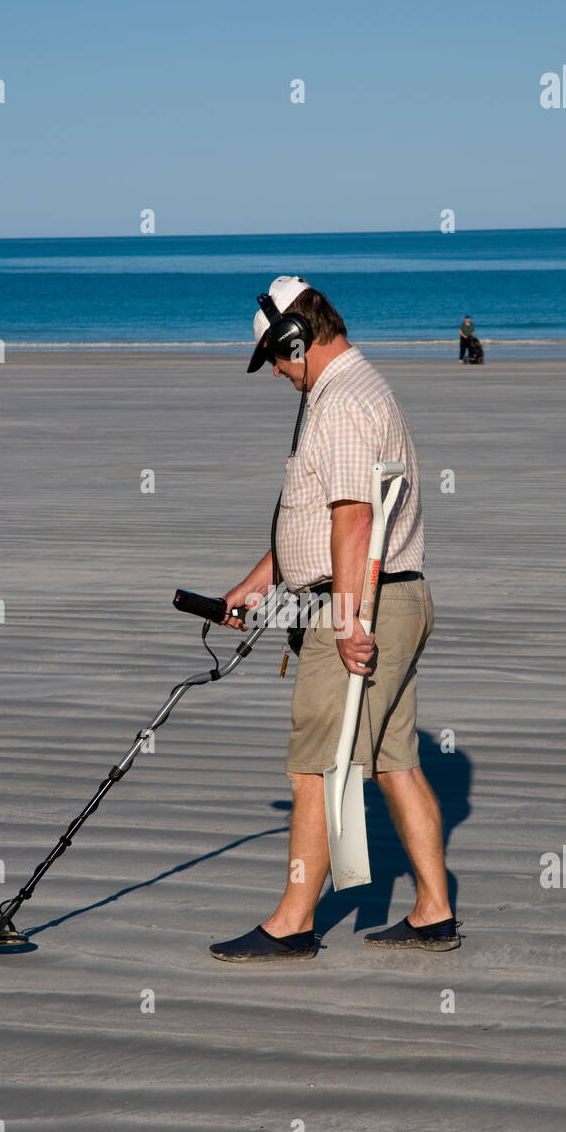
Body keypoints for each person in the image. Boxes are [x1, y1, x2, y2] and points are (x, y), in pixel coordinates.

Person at [209, 276, 459, 963]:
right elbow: (319, 518)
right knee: (392, 762)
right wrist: (259, 583)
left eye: (277, 357)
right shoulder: (354, 388)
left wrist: (348, 620)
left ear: (294, 336)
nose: (278, 373)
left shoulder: (342, 400)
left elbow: (353, 520)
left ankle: (293, 923)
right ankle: (433, 910)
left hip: (363, 603)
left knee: (314, 770)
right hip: (395, 597)